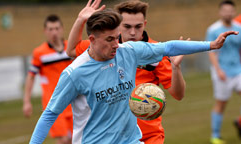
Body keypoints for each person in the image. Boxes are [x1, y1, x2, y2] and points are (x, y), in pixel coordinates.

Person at [29, 0, 238, 143]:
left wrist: (211, 44)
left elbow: (168, 47)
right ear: (92, 40)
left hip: (131, 139)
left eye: (116, 37)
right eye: (110, 40)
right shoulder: (75, 73)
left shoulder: (128, 51)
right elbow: (49, 115)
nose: (116, 44)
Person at [67, 1, 186, 143]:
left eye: (138, 27)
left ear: (145, 24)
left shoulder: (154, 52)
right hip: (116, 136)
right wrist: (81, 20)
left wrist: (176, 68)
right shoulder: (105, 47)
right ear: (118, 26)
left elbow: (178, 94)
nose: (132, 32)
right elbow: (72, 50)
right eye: (127, 26)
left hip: (149, 136)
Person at [23, 14, 73, 144]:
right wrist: (27, 101)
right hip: (53, 103)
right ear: (45, 31)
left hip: (72, 102)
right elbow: (30, 76)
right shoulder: (40, 53)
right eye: (50, 29)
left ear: (62, 29)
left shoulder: (71, 48)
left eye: (56, 28)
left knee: (75, 139)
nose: (54, 32)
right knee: (63, 139)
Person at [205, 0, 241, 143]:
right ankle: (215, 135)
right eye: (225, 10)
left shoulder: (238, 27)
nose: (228, 13)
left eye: (230, 10)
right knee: (221, 103)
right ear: (220, 12)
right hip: (222, 73)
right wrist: (218, 70)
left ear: (234, 12)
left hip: (238, 70)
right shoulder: (213, 29)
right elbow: (211, 52)